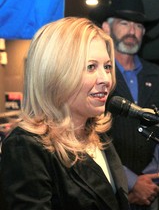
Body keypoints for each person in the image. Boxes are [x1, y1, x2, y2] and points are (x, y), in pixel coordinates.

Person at [0, 17, 129, 210]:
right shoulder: (26, 147)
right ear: (56, 74)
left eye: (107, 67)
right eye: (91, 67)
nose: (106, 79)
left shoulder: (97, 135)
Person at [89, 0, 159, 209]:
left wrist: (150, 177)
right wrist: (131, 181)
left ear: (144, 32)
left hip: (150, 191)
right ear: (107, 28)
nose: (132, 31)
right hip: (106, 192)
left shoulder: (157, 75)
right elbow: (89, 136)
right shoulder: (97, 77)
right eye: (124, 23)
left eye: (138, 26)